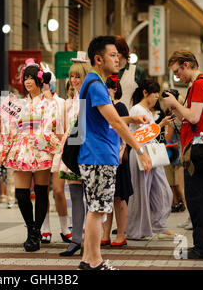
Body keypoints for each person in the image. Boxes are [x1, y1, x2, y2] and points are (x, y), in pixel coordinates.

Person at [76, 36, 151, 270]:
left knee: (96, 210)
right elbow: (116, 124)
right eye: (112, 55)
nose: (117, 59)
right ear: (98, 59)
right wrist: (140, 151)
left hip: (95, 155)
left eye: (118, 55)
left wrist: (131, 118)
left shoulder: (93, 82)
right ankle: (96, 261)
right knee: (98, 211)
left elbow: (108, 119)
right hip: (98, 156)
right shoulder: (96, 84)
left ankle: (87, 261)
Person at [0, 59, 61, 252]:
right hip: (21, 149)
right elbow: (10, 128)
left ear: (40, 81)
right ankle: (32, 229)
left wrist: (47, 143)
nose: (28, 82)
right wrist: (3, 150)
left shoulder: (50, 103)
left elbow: (53, 126)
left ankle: (35, 233)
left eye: (32, 78)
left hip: (41, 149)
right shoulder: (17, 103)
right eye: (26, 78)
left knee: (41, 191)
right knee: (21, 194)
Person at [163, 50, 203, 259]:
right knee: (196, 198)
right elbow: (190, 117)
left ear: (186, 65)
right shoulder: (199, 84)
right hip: (196, 147)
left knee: (197, 198)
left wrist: (176, 105)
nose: (177, 77)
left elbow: (194, 117)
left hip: (197, 149)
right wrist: (177, 108)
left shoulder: (199, 84)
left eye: (177, 72)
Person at [126, 79, 176, 242]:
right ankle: (136, 230)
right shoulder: (136, 109)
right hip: (141, 154)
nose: (156, 99)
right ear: (145, 93)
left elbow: (152, 134)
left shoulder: (147, 111)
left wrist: (161, 125)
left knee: (163, 191)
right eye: (154, 95)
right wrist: (160, 124)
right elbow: (139, 136)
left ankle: (158, 225)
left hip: (153, 153)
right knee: (141, 193)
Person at [57, 53, 91, 257]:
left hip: (87, 151)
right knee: (76, 197)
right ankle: (76, 239)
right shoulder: (70, 101)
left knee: (90, 199)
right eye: (72, 76)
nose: (74, 80)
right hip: (72, 151)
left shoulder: (88, 97)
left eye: (78, 76)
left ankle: (88, 239)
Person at [101, 76, 134, 247]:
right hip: (103, 157)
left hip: (118, 157)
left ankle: (121, 234)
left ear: (115, 89)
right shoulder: (99, 107)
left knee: (119, 197)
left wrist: (121, 152)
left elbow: (124, 131)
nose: (105, 91)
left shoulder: (120, 107)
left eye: (108, 87)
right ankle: (105, 234)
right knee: (106, 198)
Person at [41, 68, 72, 244]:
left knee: (59, 191)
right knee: (42, 191)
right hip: (40, 151)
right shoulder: (36, 103)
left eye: (48, 81)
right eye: (43, 82)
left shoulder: (62, 102)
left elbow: (67, 125)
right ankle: (45, 229)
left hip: (58, 150)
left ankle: (64, 227)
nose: (46, 85)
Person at [115, 35, 147, 109]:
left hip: (132, 116)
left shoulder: (138, 72)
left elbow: (145, 97)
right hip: (110, 117)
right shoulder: (107, 72)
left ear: (122, 50)